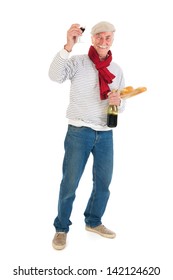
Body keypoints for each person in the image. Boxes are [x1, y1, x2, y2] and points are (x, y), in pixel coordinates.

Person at [49, 21, 126, 250]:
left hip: (105, 135)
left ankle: (93, 222)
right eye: (99, 37)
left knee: (103, 184)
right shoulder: (78, 62)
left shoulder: (117, 70)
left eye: (108, 38)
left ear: (113, 40)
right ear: (92, 38)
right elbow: (54, 76)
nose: (104, 41)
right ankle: (61, 227)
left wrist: (118, 101)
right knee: (70, 183)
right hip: (78, 132)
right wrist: (68, 46)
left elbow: (121, 107)